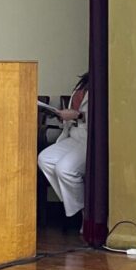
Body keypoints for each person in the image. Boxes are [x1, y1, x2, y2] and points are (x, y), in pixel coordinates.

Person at [37, 72, 88, 218]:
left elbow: (99, 115)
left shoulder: (103, 85)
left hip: (89, 138)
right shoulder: (83, 83)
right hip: (73, 134)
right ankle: (77, 207)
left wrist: (78, 115)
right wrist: (61, 116)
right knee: (45, 159)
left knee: (65, 169)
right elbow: (74, 112)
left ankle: (85, 215)